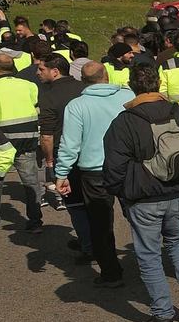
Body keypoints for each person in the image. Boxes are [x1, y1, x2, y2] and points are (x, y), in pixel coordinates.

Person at [101, 63, 179, 322]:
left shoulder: (124, 122)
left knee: (149, 255)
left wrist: (124, 193)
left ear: (131, 86)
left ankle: (162, 314)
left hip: (143, 199)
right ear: (160, 84)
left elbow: (113, 169)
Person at [55, 62, 133, 286]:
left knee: (100, 223)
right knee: (139, 217)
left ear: (82, 80)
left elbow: (70, 144)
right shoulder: (126, 97)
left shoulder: (77, 105)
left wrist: (62, 174)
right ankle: (149, 262)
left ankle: (111, 273)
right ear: (106, 76)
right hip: (126, 167)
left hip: (94, 171)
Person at [36, 53, 87, 223]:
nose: (37, 72)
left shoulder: (48, 98)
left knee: (75, 203)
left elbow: (47, 136)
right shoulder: (85, 88)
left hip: (64, 154)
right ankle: (101, 242)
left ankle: (87, 244)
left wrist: (50, 161)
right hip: (91, 151)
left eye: (41, 69)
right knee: (97, 201)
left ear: (55, 71)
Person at [0, 53, 42, 233]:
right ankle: (35, 222)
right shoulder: (29, 86)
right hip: (27, 141)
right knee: (31, 183)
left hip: (1, 143)